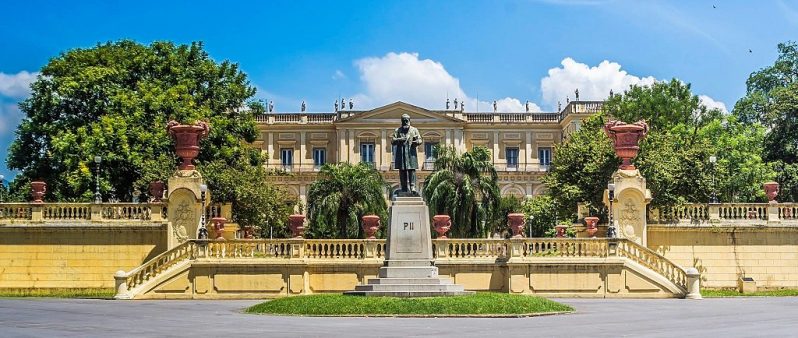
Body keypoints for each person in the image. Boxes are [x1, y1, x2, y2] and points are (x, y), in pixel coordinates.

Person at [391, 114, 423, 195]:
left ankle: (413, 187)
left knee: (411, 170)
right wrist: (400, 139)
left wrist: (416, 142)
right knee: (402, 171)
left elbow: (420, 140)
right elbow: (393, 141)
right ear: (401, 121)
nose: (405, 122)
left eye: (407, 120)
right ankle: (404, 188)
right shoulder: (397, 130)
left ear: (409, 120)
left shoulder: (414, 130)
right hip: (401, 154)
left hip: (411, 154)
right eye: (404, 120)